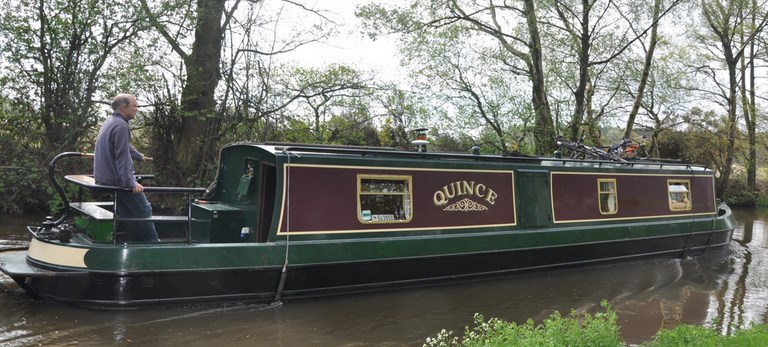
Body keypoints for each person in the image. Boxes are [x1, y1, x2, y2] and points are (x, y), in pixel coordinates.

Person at [94, 94, 158, 242]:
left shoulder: (111, 121)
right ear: (124, 107)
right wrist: (131, 183)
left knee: (128, 211)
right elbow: (121, 158)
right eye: (134, 106)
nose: (137, 109)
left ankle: (134, 243)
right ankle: (155, 246)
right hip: (117, 180)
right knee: (144, 210)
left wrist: (138, 155)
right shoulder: (122, 126)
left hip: (105, 179)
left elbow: (124, 145)